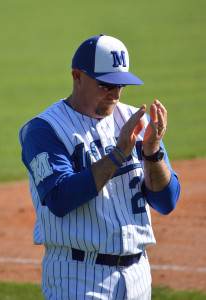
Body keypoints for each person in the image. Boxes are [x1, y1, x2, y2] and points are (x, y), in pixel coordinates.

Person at [19, 34, 180, 300]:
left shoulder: (133, 120)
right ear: (77, 76)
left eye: (121, 86)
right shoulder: (45, 130)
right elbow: (60, 198)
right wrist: (118, 155)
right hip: (78, 277)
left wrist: (152, 153)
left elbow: (166, 201)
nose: (115, 94)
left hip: (138, 275)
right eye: (106, 85)